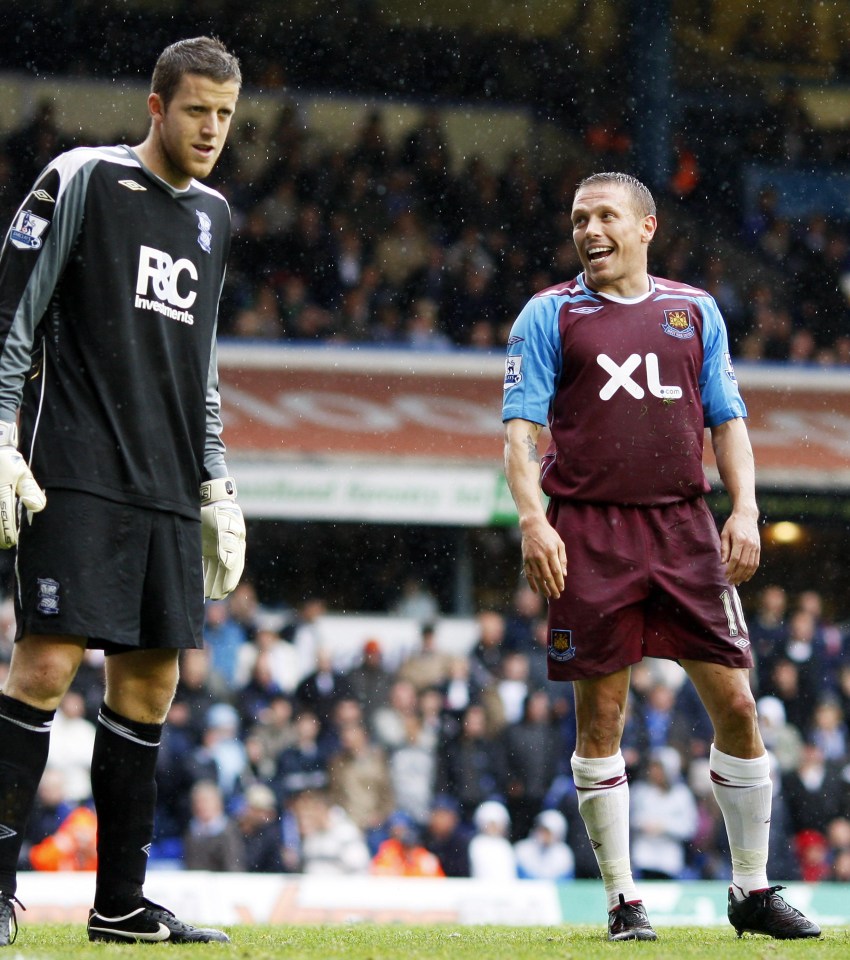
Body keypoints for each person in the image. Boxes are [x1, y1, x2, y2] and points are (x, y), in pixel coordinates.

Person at [502, 171, 819, 942]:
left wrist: (744, 507)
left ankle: (751, 890)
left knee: (739, 707)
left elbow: (728, 420)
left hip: (683, 529)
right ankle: (622, 900)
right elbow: (520, 432)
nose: (589, 230)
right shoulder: (549, 314)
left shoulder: (694, 310)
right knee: (600, 719)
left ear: (646, 227)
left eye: (605, 216)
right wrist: (533, 521)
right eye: (579, 219)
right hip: (588, 533)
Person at [0, 37, 246, 946]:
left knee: (149, 687)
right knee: (49, 665)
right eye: (196, 111)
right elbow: (11, 318)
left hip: (169, 481)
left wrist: (215, 479)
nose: (212, 129)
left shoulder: (215, 216)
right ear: (156, 105)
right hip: (76, 466)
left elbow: (204, 365)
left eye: (225, 114)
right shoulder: (83, 179)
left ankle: (121, 907)